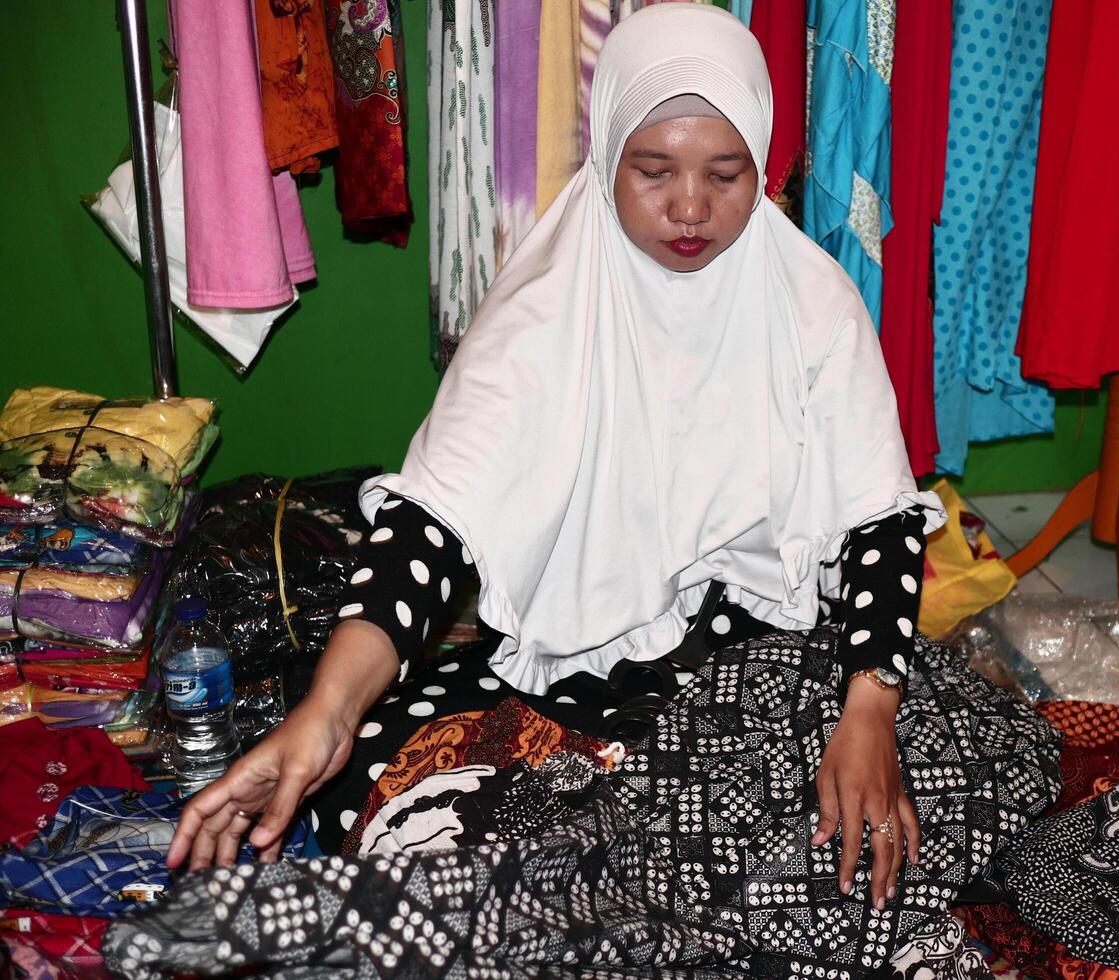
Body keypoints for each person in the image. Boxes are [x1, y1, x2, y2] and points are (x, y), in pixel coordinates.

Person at [166, 1, 943, 914]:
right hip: (579, 666)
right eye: (652, 171)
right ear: (606, 152)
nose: (689, 208)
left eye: (726, 175)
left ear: (764, 166)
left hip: (764, 662)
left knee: (867, 813)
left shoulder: (813, 302)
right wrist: (326, 715)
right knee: (395, 804)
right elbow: (429, 531)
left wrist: (869, 712)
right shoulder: (544, 314)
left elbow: (879, 523)